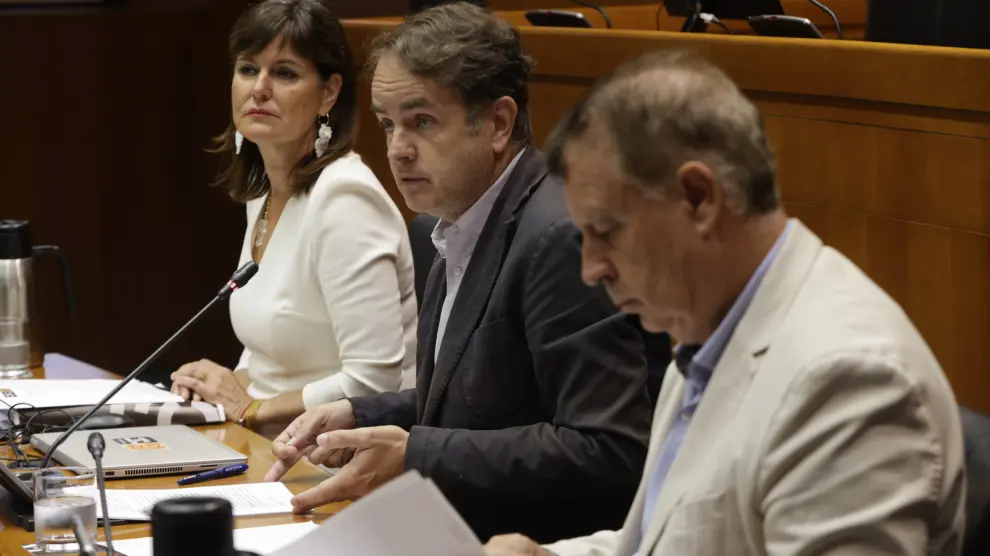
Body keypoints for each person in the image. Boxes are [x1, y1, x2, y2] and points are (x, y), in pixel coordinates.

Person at [485, 49, 966, 555]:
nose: (591, 268)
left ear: (699, 198)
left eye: (606, 231)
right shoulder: (707, 329)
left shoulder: (848, 380)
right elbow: (665, 538)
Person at [263, 2, 659, 543]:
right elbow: (481, 401)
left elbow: (608, 448)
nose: (397, 150)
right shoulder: (453, 222)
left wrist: (417, 454)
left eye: (422, 122)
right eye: (387, 124)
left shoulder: (557, 238)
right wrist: (360, 414)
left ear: (498, 123)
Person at [170, 0, 417, 437]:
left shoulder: (345, 199)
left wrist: (251, 408)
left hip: (339, 453)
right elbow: (269, 356)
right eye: (248, 69)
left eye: (285, 73)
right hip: (268, 441)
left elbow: (372, 382)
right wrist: (221, 387)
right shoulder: (264, 192)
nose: (259, 89)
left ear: (328, 93)